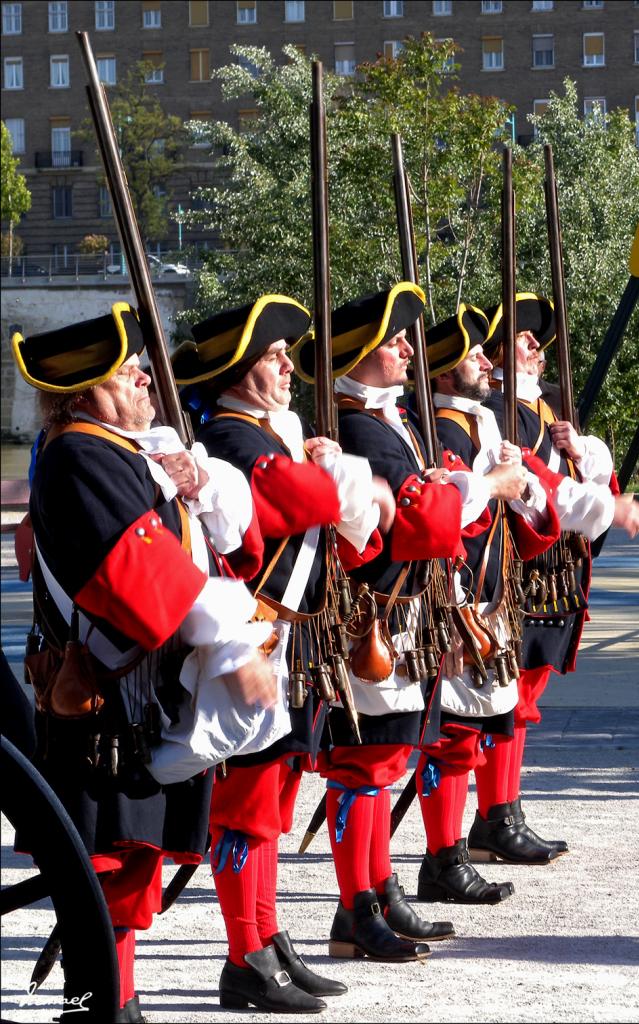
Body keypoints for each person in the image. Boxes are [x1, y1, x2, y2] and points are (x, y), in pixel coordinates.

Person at [12, 304, 276, 1023]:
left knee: (128, 867)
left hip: (136, 694)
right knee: (103, 869)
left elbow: (214, 548)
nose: (145, 381)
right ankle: (99, 1006)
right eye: (128, 373)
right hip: (105, 697)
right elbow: (138, 573)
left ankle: (115, 1000)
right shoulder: (79, 455)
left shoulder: (120, 452)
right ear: (84, 391)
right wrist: (232, 646)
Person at [293, 284, 526, 958]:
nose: (405, 350)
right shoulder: (358, 426)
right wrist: (488, 487)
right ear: (358, 354)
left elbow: (429, 498)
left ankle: (379, 890)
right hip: (369, 617)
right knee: (362, 764)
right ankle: (355, 908)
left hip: (403, 613)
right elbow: (421, 518)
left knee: (385, 761)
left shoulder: (387, 419)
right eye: (391, 341)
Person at [174, 294, 394, 1012]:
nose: (288, 367)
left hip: (293, 642)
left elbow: (354, 532)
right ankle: (245, 955)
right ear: (239, 370)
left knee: (274, 795)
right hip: (246, 642)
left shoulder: (272, 433)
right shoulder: (232, 437)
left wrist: (330, 472)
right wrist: (341, 474)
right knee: (245, 807)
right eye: (273, 356)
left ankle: (267, 937)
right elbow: (305, 502)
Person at [474, 294, 639, 860]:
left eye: (535, 339)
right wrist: (607, 507)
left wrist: (585, 449)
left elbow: (570, 468)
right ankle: (496, 816)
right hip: (521, 573)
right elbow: (536, 481)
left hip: (552, 576)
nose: (536, 346)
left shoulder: (544, 407)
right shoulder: (498, 409)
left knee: (523, 696)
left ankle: (506, 812)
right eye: (523, 338)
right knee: (508, 698)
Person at [414, 303, 563, 888]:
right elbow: (448, 518)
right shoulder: (442, 428)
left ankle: (455, 851)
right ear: (444, 372)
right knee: (451, 735)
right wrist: (494, 483)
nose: (485, 361)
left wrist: (517, 483)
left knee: (472, 729)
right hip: (457, 596)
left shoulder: (477, 423)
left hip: (488, 594)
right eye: (473, 355)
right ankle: (443, 858)